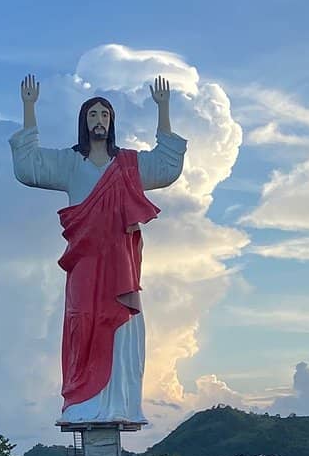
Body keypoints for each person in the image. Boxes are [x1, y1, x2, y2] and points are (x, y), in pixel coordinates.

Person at [10, 75, 186, 424]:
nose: (99, 120)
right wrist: (29, 108)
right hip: (85, 265)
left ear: (112, 122)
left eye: (105, 114)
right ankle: (82, 401)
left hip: (120, 267)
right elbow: (29, 167)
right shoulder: (70, 164)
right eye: (93, 115)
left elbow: (167, 166)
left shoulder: (130, 166)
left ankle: (118, 402)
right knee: (83, 324)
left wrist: (163, 110)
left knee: (119, 326)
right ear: (83, 122)